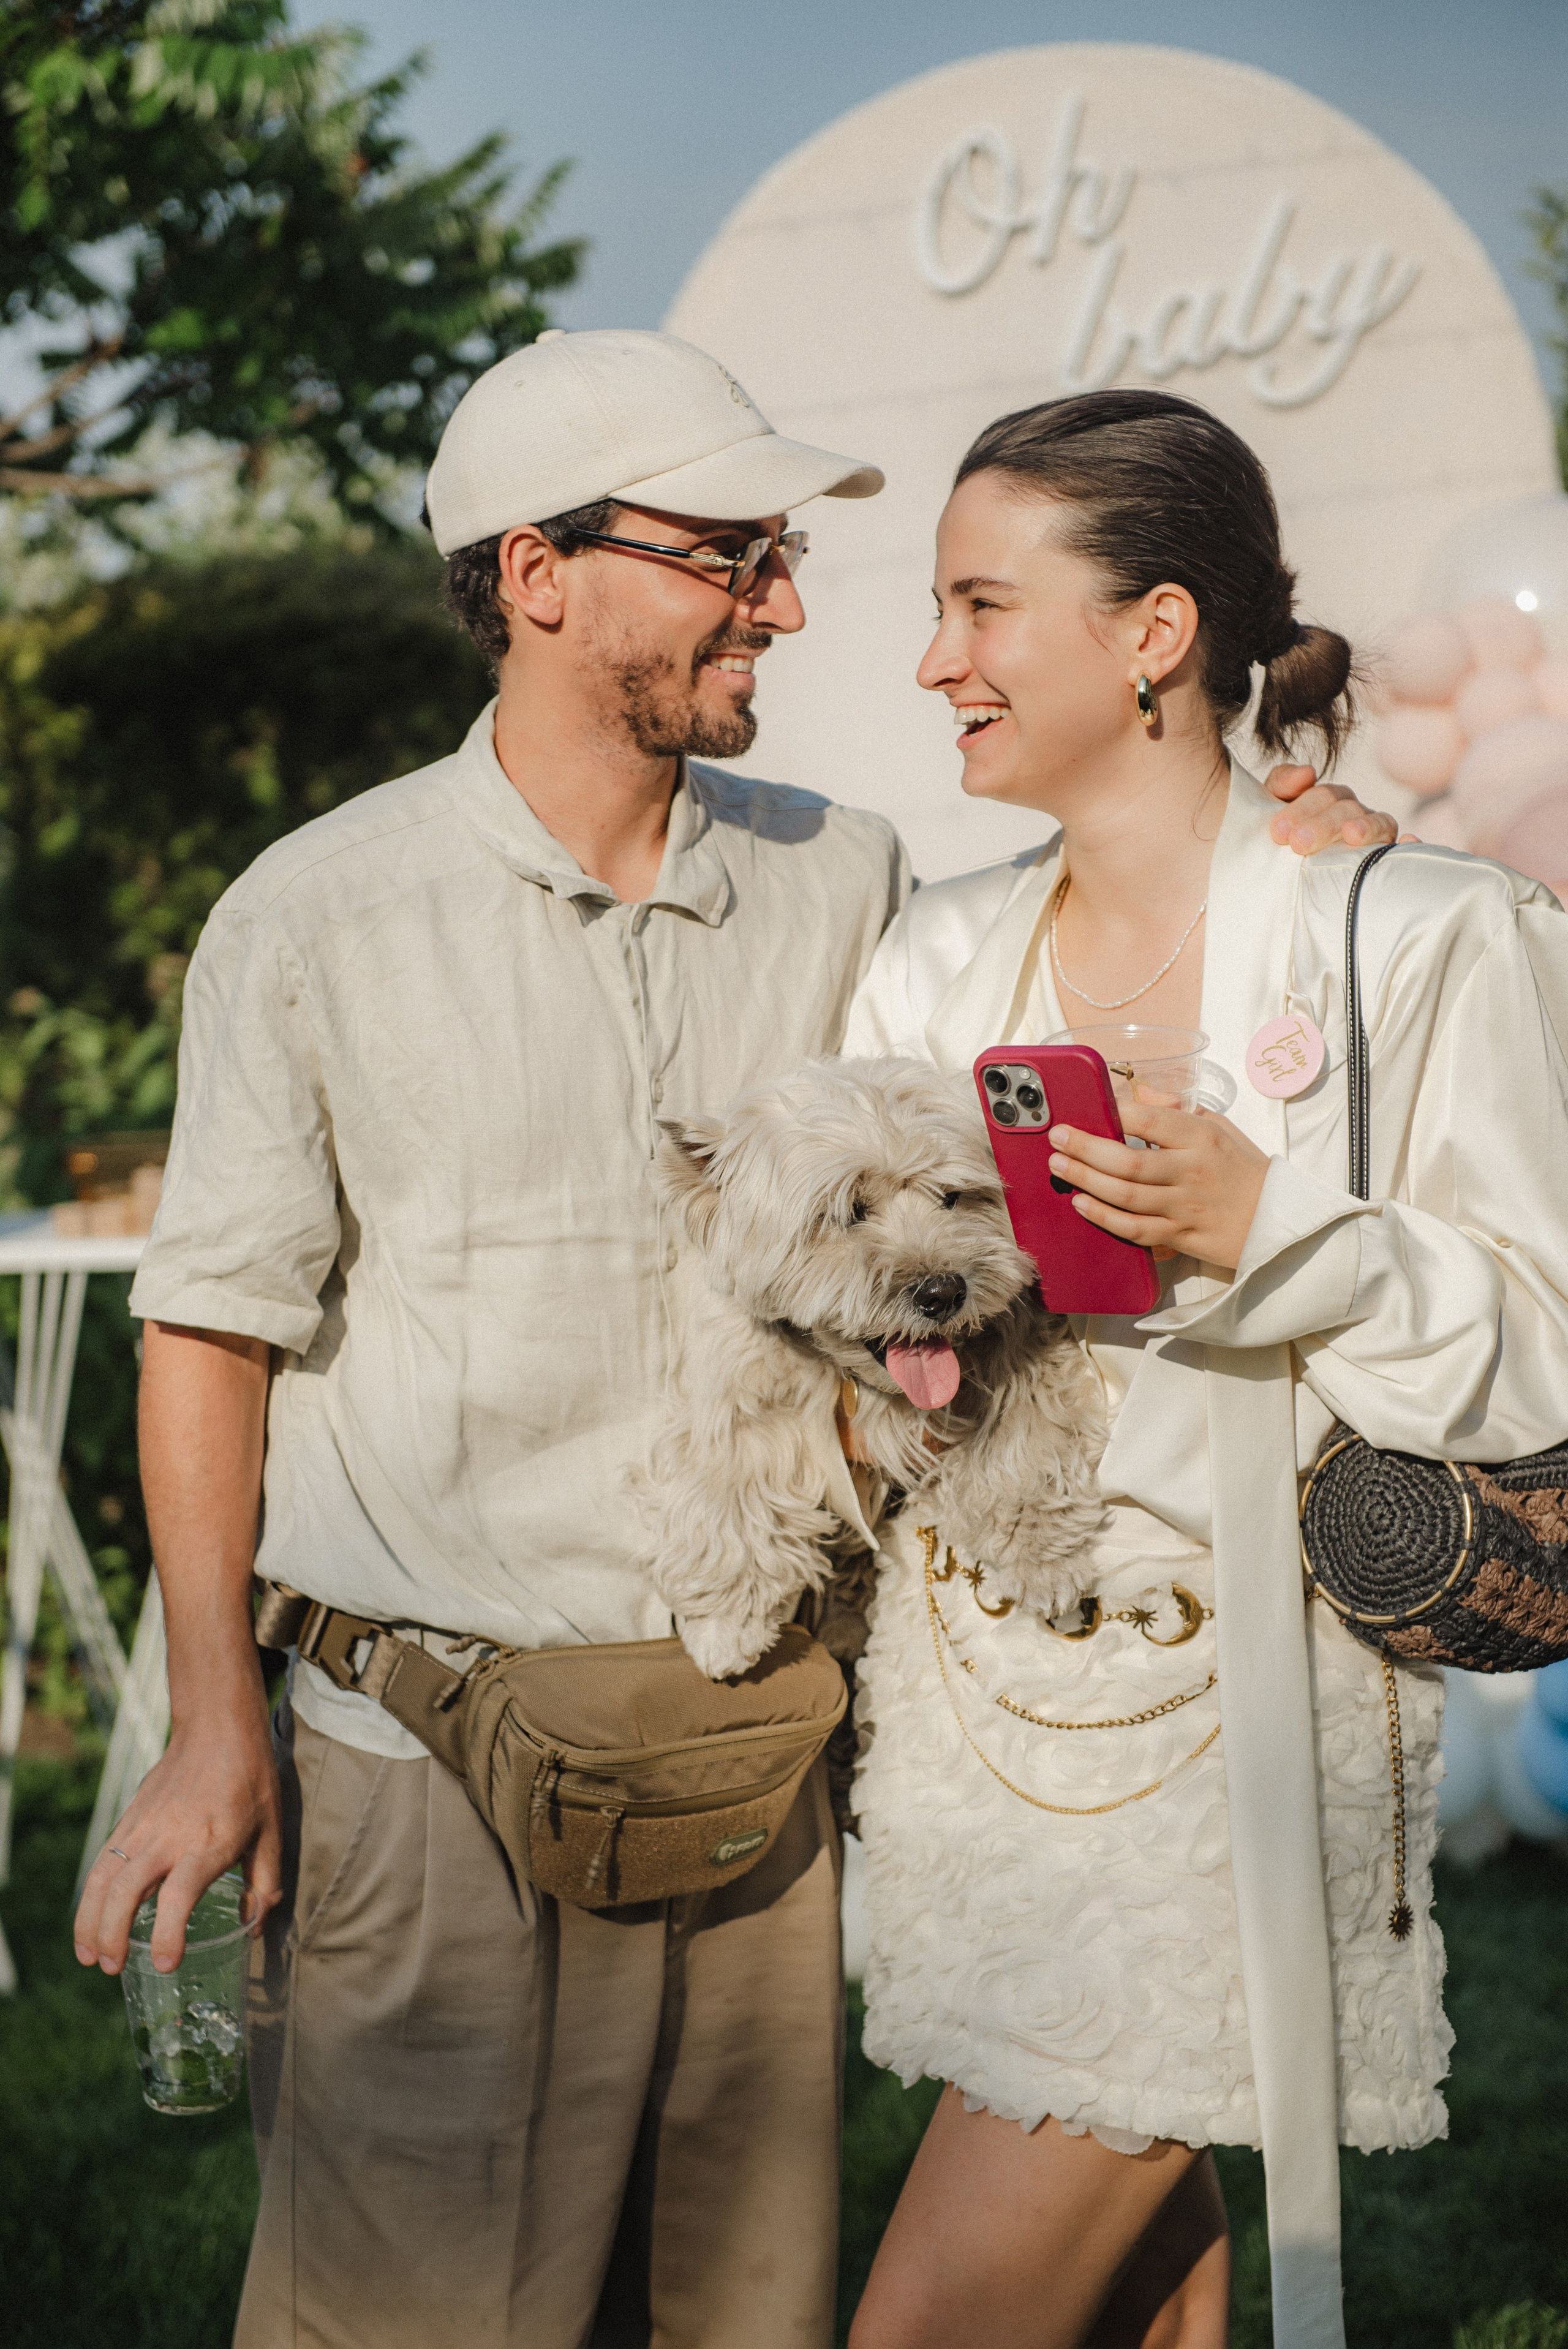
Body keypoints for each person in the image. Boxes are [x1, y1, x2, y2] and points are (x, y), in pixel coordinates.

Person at [69, 333, 1394, 2349]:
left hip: (764, 1738)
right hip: (429, 1763)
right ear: (538, 577)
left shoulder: (840, 876)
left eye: (778, 554)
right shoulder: (313, 916)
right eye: (728, 554)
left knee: (744, 2313)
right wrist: (208, 1722)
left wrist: (1287, 840)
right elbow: (208, 1332)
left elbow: (1072, 956)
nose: (784, 600)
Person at [841, 388, 1568, 2349]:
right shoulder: (934, 963)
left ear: (1154, 632)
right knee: (1138, 2300)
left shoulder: (1422, 936)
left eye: (984, 605)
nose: (936, 660)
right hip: (980, 1724)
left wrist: (1271, 1224)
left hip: (1238, 1734)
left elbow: (1542, 1343)